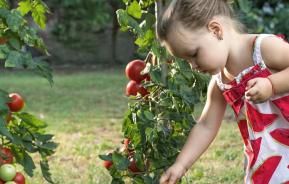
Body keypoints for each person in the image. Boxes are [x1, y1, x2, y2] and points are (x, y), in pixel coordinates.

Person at [156, 0, 289, 183]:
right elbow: (206, 125)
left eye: (194, 54)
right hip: (267, 159)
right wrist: (181, 164)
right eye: (186, 61)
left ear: (216, 30)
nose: (193, 66)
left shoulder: (263, 49)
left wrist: (272, 85)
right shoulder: (220, 82)